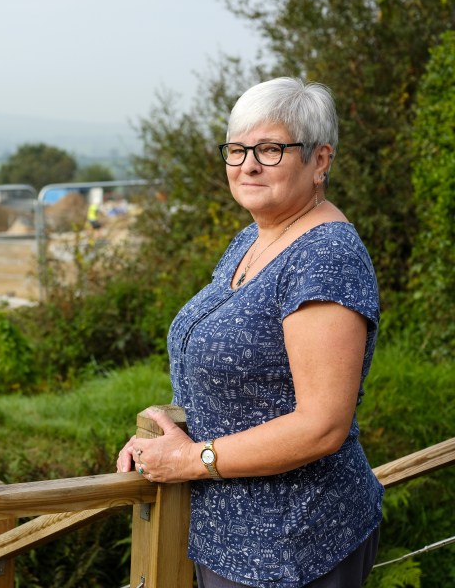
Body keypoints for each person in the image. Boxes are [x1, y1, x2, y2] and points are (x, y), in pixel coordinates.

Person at [116, 77, 383, 587]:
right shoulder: (252, 239)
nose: (247, 165)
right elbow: (249, 371)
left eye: (270, 149)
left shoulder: (325, 258)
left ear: (320, 160)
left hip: (291, 547)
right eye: (236, 150)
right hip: (229, 534)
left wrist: (191, 458)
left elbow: (321, 426)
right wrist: (171, 425)